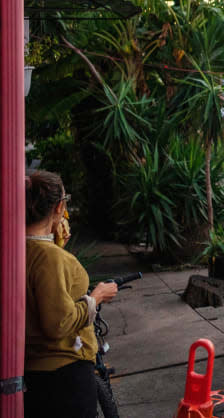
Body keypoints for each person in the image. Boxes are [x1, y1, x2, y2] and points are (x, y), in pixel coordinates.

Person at [24, 171, 118, 418]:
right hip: (65, 372)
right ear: (59, 207)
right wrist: (95, 297)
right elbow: (59, 323)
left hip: (36, 373)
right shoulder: (49, 256)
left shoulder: (22, 249)